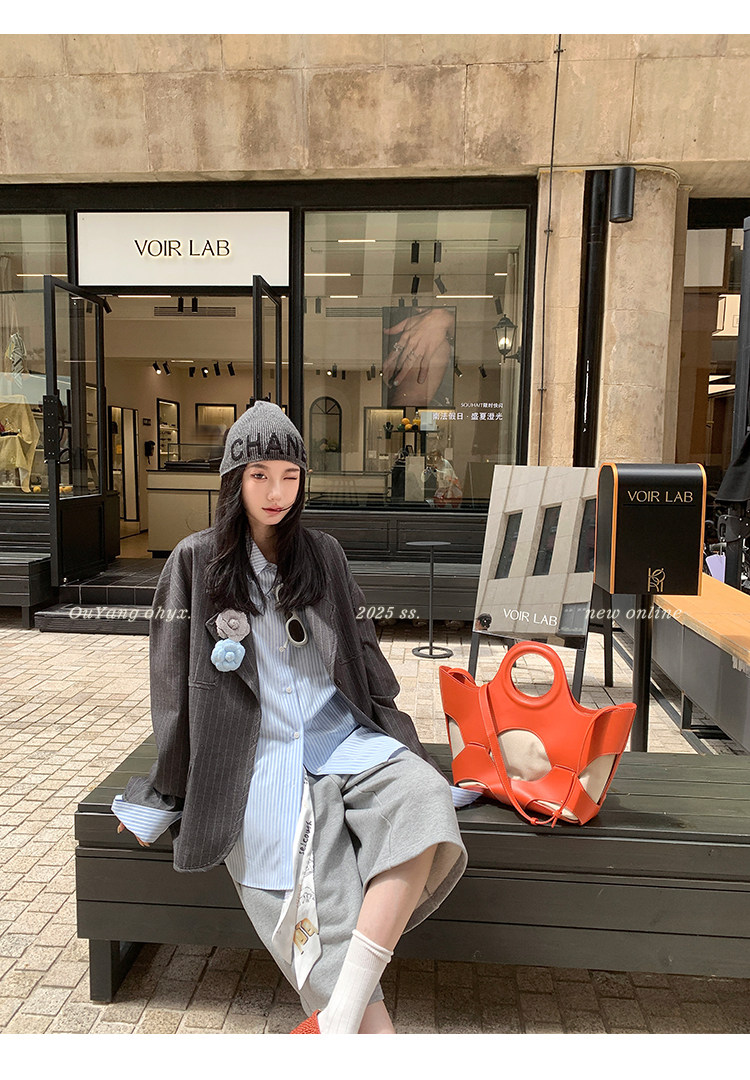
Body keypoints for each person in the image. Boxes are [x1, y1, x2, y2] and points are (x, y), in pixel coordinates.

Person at [112, 400, 474, 1035]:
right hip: (254, 753)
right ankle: (357, 1022)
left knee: (421, 797)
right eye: (259, 476)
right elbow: (171, 690)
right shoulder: (195, 562)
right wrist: (166, 791)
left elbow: (365, 654)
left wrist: (402, 742)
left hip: (339, 735)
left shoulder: (322, 553)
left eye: (289, 475)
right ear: (235, 480)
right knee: (300, 875)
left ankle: (338, 1018)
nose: (276, 492)